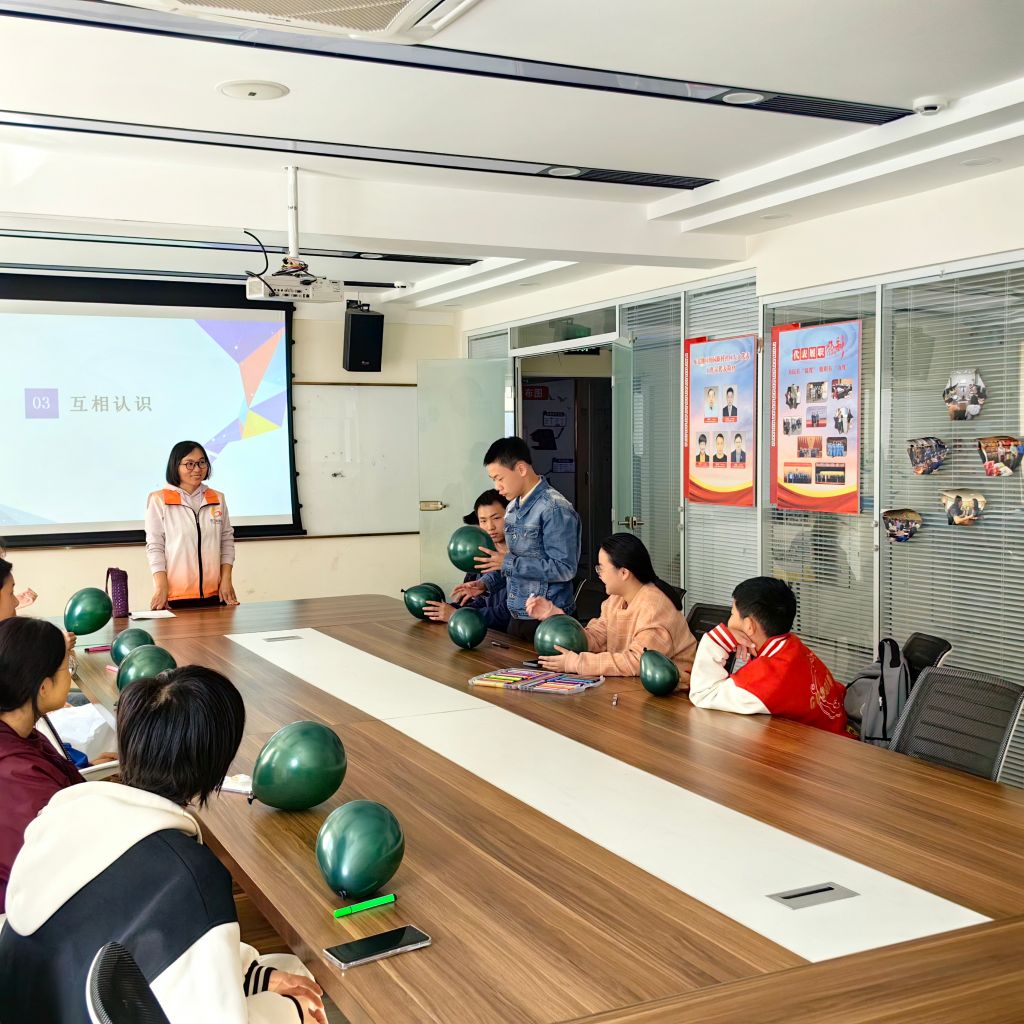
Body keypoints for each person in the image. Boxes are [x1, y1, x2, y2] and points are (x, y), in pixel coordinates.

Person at [0, 666, 326, 1023]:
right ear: (216, 765)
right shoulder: (189, 874)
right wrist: (293, 1011)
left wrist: (250, 974)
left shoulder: (61, 817)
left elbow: (124, 930)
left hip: (35, 1002)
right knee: (302, 989)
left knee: (274, 972)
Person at [453, 437, 580, 643]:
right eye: (493, 480)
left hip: (548, 619)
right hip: (518, 616)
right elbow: (514, 565)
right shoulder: (512, 507)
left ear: (521, 469)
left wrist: (508, 562)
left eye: (499, 478)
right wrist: (485, 584)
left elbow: (564, 568)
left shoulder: (554, 508)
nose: (497, 486)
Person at [688, 576, 848, 734]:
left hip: (827, 747)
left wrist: (716, 641)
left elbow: (702, 694)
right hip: (835, 733)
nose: (728, 622)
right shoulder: (791, 644)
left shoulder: (770, 676)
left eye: (732, 614)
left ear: (749, 625)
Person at [0, 617, 85, 913]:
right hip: (27, 913)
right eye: (66, 668)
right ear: (44, 687)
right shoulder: (16, 774)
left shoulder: (21, 734)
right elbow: (63, 863)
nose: (70, 677)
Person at [526, 534, 696, 680]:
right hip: (630, 686)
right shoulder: (615, 600)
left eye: (601, 568)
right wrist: (557, 617)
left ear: (624, 573)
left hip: (674, 695)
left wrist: (578, 663)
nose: (599, 574)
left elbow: (639, 662)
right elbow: (594, 640)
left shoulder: (654, 608)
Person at [146, 440, 238, 610]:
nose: (197, 469)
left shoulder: (217, 498)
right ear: (175, 466)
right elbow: (155, 547)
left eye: (202, 462)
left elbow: (226, 542)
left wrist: (226, 579)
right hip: (174, 597)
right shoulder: (159, 500)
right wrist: (161, 587)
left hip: (215, 595)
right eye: (189, 464)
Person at [424, 489, 511, 631]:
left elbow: (507, 614)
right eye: (483, 521)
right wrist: (447, 610)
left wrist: (456, 615)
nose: (490, 527)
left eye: (496, 518)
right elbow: (482, 601)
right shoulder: (483, 557)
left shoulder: (523, 557)